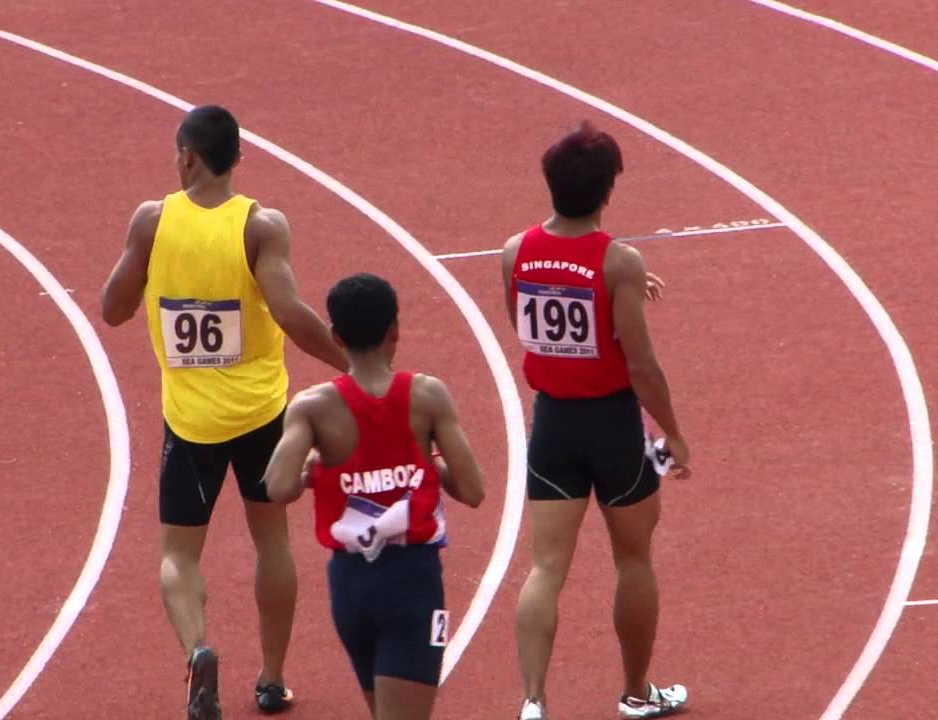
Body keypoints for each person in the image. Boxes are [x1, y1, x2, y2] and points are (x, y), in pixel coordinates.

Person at [100, 104, 349, 720]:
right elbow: (290, 314)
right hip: (263, 413)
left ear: (187, 157)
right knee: (272, 543)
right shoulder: (260, 227)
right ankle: (272, 679)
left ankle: (199, 650)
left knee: (179, 555)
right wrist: (351, 364)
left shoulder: (152, 221)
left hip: (191, 424)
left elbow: (112, 309)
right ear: (238, 159)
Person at [500, 121, 692, 720]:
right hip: (612, 425)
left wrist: (621, 288)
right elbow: (643, 368)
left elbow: (525, 327)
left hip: (553, 424)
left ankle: (533, 702)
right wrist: (676, 433)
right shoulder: (618, 262)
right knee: (633, 559)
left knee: (545, 566)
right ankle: (636, 695)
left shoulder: (514, 253)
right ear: (608, 190)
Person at [263, 273, 485, 720]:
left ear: (336, 336)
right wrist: (426, 468)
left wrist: (317, 468)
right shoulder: (427, 395)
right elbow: (473, 490)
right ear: (395, 330)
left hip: (350, 588)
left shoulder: (312, 406)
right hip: (413, 584)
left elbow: (278, 487)